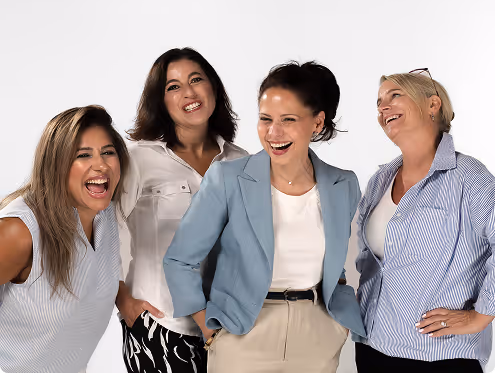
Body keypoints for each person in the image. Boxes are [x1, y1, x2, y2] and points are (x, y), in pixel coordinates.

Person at [164, 61, 366, 373]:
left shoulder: (344, 184)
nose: (273, 132)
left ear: (317, 122)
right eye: (265, 119)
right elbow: (180, 259)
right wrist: (209, 329)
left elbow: (337, 263)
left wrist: (336, 326)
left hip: (317, 336)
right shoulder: (228, 178)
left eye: (288, 120)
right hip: (243, 331)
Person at [115, 48, 247, 373]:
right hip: (160, 326)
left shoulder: (241, 161)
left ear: (213, 87)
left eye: (196, 80)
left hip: (227, 327)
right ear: (160, 101)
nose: (189, 92)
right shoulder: (138, 159)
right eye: (173, 86)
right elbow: (103, 234)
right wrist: (123, 302)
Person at [354, 69, 494, 372]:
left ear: (433, 105)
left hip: (440, 355)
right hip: (372, 346)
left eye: (395, 95)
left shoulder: (470, 178)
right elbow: (369, 262)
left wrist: (480, 316)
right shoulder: (380, 180)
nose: (383, 107)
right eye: (379, 102)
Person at [0, 105, 129, 373]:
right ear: (56, 164)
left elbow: (95, 273)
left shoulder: (106, 215)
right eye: (83, 155)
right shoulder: (19, 231)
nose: (101, 165)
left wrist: (125, 299)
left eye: (108, 152)